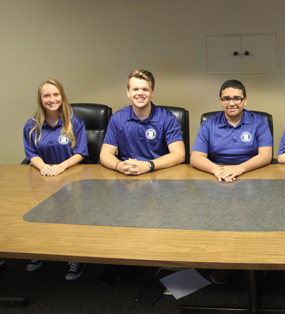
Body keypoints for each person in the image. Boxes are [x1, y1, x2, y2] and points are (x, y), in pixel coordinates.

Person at [22, 78, 88, 280]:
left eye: (55, 94)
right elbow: (30, 153)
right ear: (41, 100)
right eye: (47, 96)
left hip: (70, 177)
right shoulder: (32, 126)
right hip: (43, 178)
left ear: (62, 96)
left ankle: (75, 258)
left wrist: (61, 166)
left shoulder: (74, 122)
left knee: (70, 218)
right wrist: (42, 166)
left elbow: (80, 153)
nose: (52, 99)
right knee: (40, 216)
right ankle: (38, 252)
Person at [99, 69, 185, 174]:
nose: (140, 93)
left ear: (152, 93)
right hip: (127, 175)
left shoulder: (167, 118)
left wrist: (149, 165)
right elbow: (105, 154)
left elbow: (179, 154)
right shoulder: (117, 118)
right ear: (128, 93)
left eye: (145, 89)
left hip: (159, 174)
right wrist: (119, 166)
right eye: (135, 89)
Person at [190, 79, 272, 182]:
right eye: (226, 99)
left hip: (251, 172)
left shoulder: (259, 122)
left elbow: (266, 155)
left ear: (245, 100)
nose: (231, 103)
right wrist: (218, 170)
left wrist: (239, 168)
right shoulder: (208, 125)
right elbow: (196, 157)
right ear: (221, 101)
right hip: (217, 174)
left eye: (237, 98)